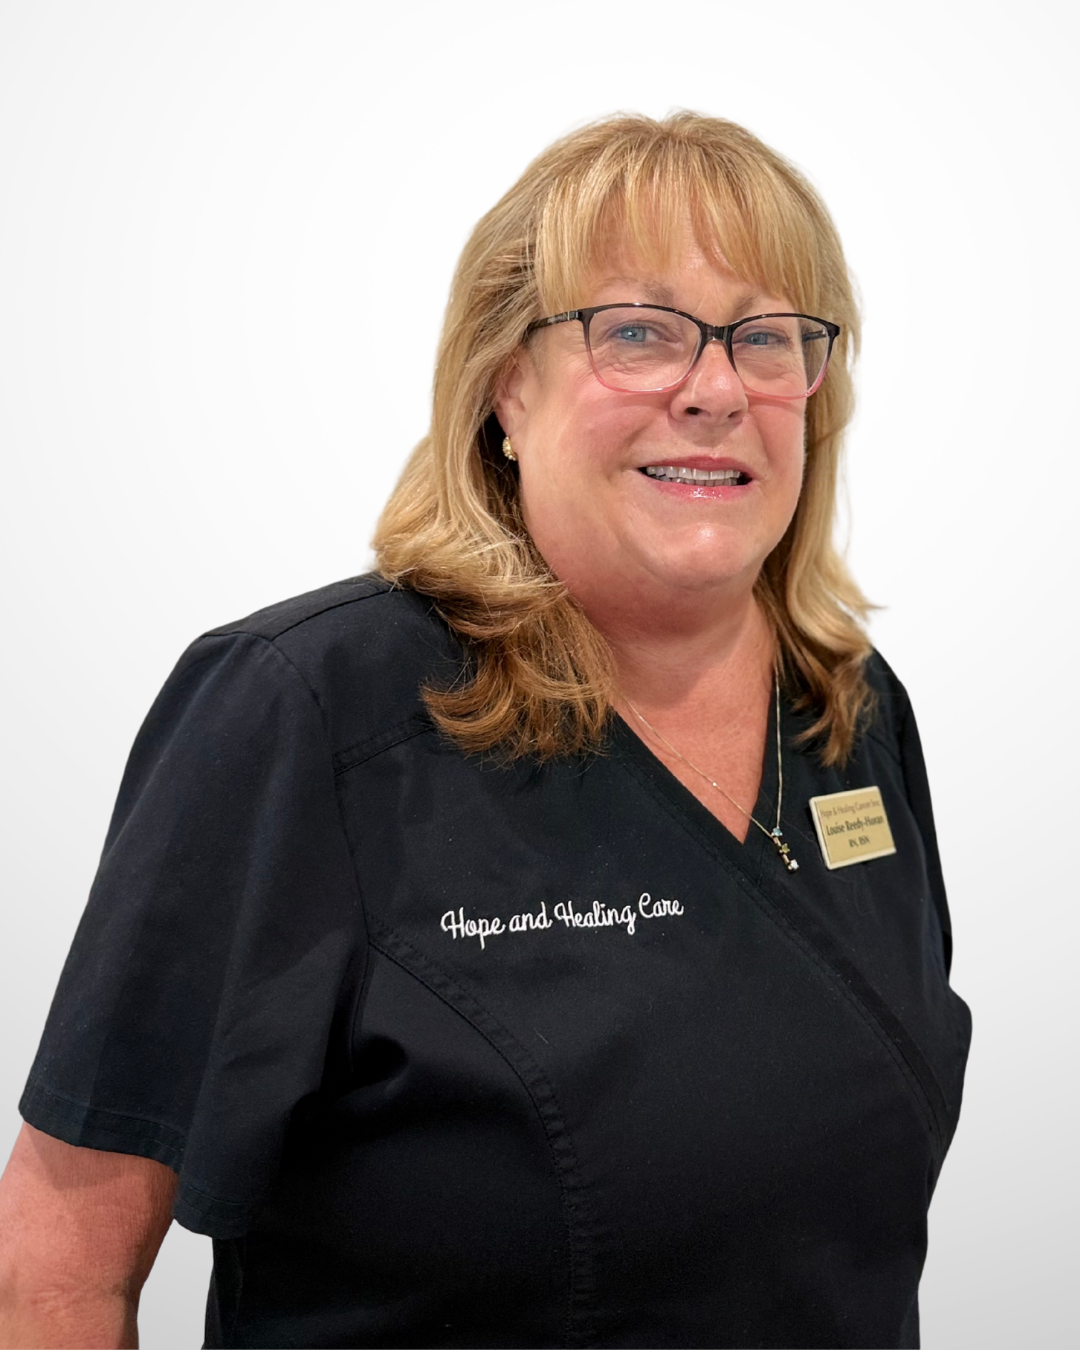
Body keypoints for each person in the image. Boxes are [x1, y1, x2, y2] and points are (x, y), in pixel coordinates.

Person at [0, 112, 971, 1349]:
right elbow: (53, 1272)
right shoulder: (307, 708)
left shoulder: (850, 708)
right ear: (506, 382)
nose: (717, 388)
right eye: (638, 331)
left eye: (768, 338)